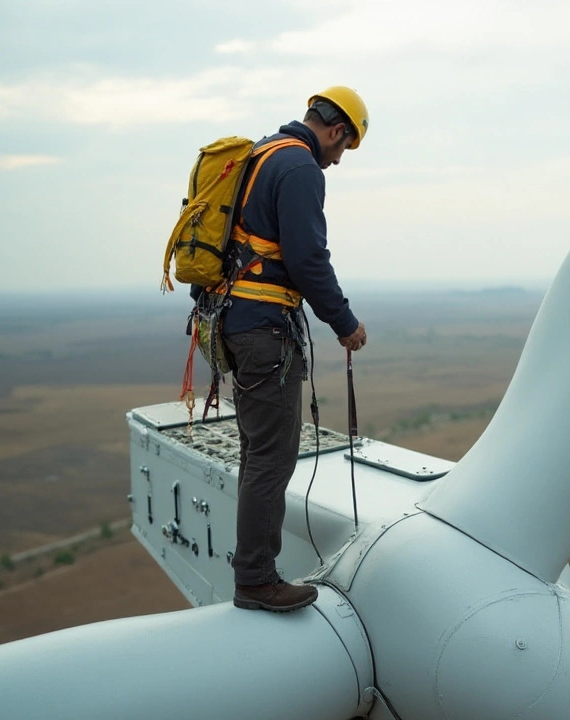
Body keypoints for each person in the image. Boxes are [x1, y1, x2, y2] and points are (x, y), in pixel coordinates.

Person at [202, 86, 369, 612]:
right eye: (343, 148)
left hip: (231, 322)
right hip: (265, 331)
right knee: (272, 459)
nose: (338, 160)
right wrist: (344, 322)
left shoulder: (259, 154)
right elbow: (307, 258)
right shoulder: (300, 167)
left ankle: (252, 570)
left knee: (258, 454)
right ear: (337, 130)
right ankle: (255, 579)